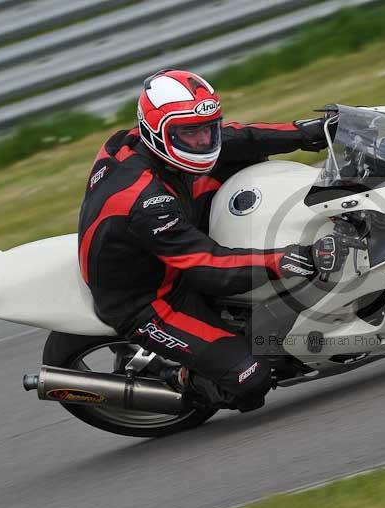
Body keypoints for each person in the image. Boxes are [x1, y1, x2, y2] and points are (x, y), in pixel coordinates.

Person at [78, 69, 332, 412]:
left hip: (159, 244)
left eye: (206, 128)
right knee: (251, 379)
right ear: (155, 133)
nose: (202, 141)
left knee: (243, 156)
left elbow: (237, 137)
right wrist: (283, 259)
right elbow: (208, 268)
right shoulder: (146, 201)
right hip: (150, 300)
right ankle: (175, 375)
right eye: (189, 132)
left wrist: (306, 133)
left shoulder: (137, 143)